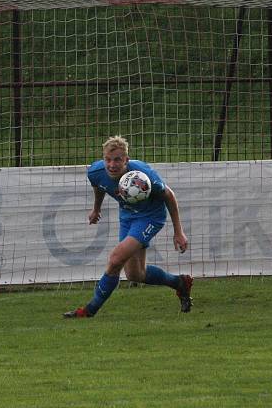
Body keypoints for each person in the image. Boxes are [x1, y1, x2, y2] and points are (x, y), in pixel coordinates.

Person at [64, 135, 193, 318]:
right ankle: (179, 283)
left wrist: (178, 232)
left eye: (117, 160)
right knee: (135, 274)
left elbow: (169, 196)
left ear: (126, 160)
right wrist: (96, 209)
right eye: (108, 160)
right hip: (127, 217)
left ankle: (89, 310)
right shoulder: (95, 172)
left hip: (150, 217)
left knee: (116, 259)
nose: (112, 165)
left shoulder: (143, 176)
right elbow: (99, 186)